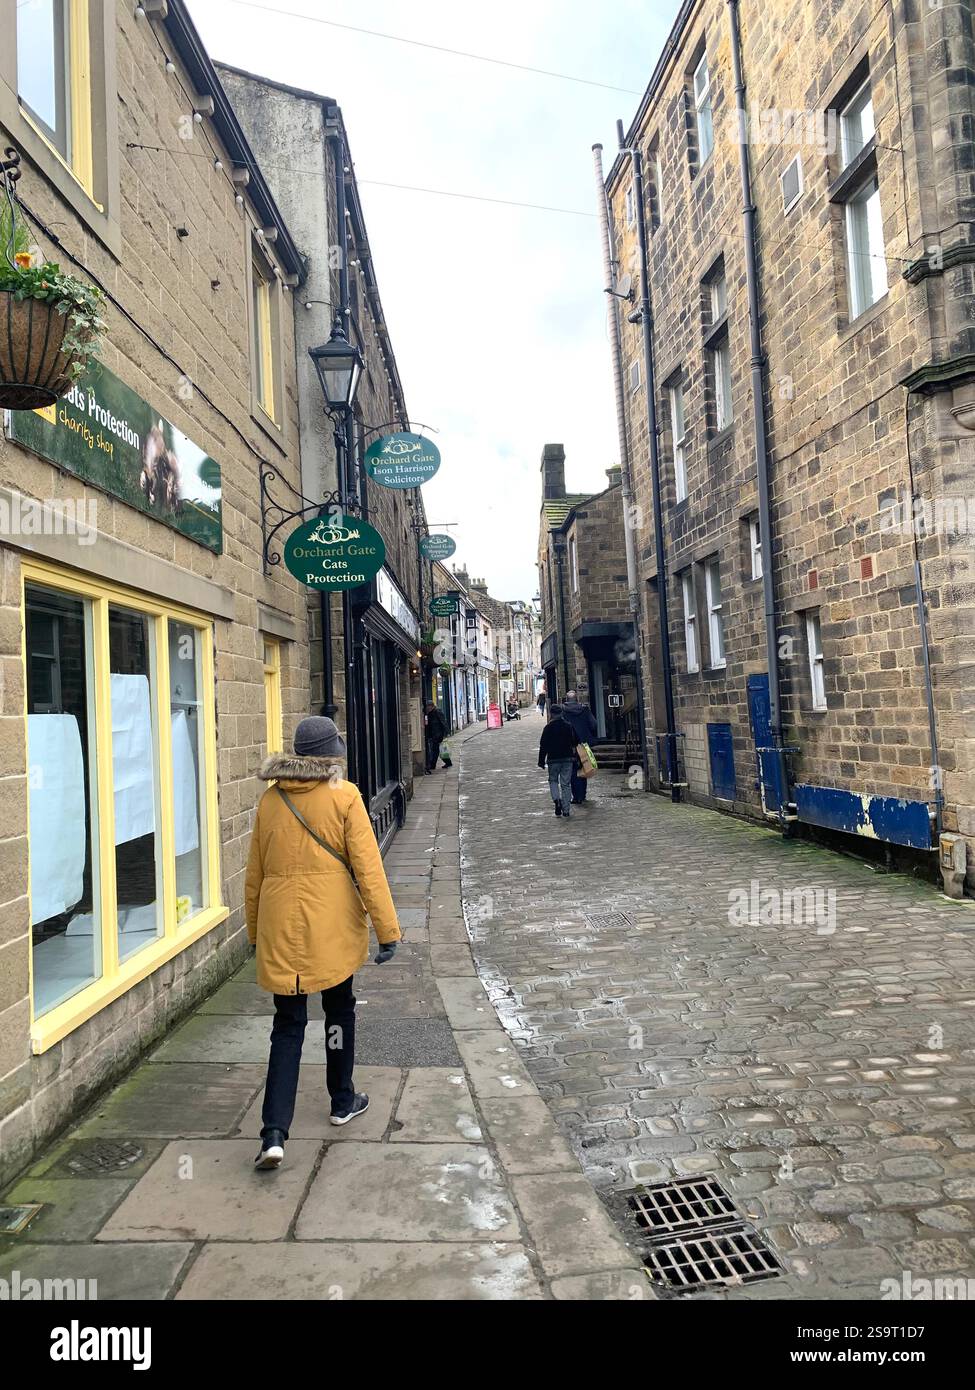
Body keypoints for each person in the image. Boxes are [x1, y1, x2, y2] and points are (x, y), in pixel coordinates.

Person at [245, 716, 401, 1170]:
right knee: (338, 1011)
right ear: (331, 755)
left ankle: (273, 1133)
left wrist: (255, 932)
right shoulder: (344, 796)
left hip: (280, 928)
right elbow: (368, 868)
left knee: (287, 1028)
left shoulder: (271, 801)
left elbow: (254, 875)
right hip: (329, 925)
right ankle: (341, 1099)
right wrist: (387, 930)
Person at [538, 702, 577, 818]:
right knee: (566, 784)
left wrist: (541, 761)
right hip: (567, 758)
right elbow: (575, 742)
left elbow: (543, 745)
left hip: (553, 759)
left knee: (553, 781)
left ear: (551, 714)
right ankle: (566, 809)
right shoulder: (568, 726)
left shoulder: (548, 728)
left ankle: (557, 800)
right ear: (561, 713)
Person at [562, 689, 598, 805]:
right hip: (584, 744)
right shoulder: (584, 709)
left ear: (567, 700)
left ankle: (576, 796)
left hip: (569, 745)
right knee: (585, 767)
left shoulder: (563, 711)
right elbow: (593, 724)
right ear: (576, 699)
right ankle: (582, 795)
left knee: (572, 770)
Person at [424, 701, 448, 772]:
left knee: (437, 750)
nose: (427, 708)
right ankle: (447, 762)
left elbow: (443, 722)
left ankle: (433, 764)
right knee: (438, 750)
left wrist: (445, 734)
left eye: (428, 706)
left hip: (438, 734)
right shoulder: (429, 714)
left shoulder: (437, 712)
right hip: (432, 735)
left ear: (432, 706)